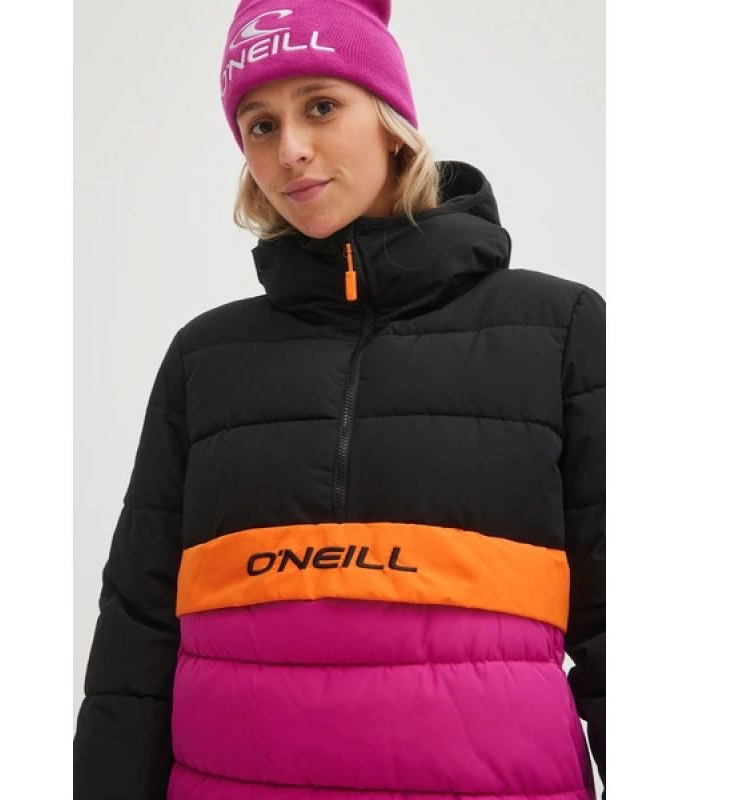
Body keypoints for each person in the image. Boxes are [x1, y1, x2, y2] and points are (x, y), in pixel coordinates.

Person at [73, 1, 606, 798]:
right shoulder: (205, 358)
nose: (289, 149)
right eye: (259, 125)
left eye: (321, 106)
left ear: (392, 122)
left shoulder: (559, 329)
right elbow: (136, 639)